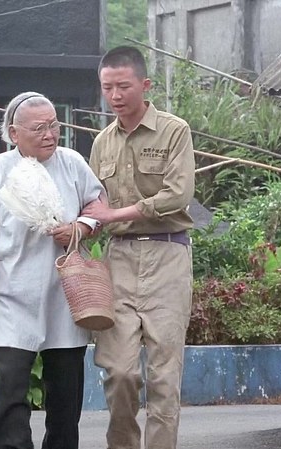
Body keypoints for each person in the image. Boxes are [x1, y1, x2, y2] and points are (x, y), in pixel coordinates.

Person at [0, 91, 103, 449]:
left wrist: (80, 227)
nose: (50, 134)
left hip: (66, 292)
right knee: (11, 383)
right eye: (39, 128)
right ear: (14, 133)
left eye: (54, 125)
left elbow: (98, 205)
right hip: (15, 291)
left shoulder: (72, 163)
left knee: (65, 390)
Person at [81, 46, 195, 449]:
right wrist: (74, 230)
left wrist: (114, 214)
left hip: (168, 256)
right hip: (119, 259)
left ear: (145, 85)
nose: (115, 95)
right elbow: (93, 207)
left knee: (164, 376)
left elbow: (178, 195)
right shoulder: (101, 143)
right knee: (119, 371)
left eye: (123, 86)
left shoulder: (174, 130)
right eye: (107, 87)